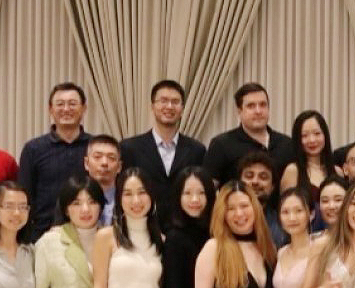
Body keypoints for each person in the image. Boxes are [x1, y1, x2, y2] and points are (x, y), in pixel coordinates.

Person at [119, 79, 207, 229]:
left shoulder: (197, 149)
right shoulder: (129, 147)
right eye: (163, 101)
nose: (169, 106)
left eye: (175, 102)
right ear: (152, 106)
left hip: (185, 231)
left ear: (182, 108)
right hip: (142, 229)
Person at [18, 82, 93, 239]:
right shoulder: (33, 149)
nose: (66, 109)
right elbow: (25, 195)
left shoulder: (96, 147)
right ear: (50, 109)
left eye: (72, 104)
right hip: (42, 234)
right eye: (60, 104)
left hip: (89, 232)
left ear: (84, 109)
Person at [203, 82, 294, 185]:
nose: (258, 111)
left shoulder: (287, 144)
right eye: (251, 106)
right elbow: (208, 190)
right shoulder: (221, 145)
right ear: (239, 111)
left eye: (263, 105)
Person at [273, 188, 321, 288]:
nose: (292, 218)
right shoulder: (280, 253)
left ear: (311, 214)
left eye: (298, 211)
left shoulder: (318, 251)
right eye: (285, 212)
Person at [280, 109, 336, 200]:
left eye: (317, 133)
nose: (312, 140)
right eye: (304, 135)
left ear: (325, 135)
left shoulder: (337, 171)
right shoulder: (293, 171)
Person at [237, 151, 287, 247]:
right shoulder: (225, 219)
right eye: (249, 176)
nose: (255, 182)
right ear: (239, 182)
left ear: (272, 187)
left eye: (263, 177)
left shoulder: (281, 224)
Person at [84, 135, 123, 226]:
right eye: (97, 157)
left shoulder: (126, 199)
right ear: (86, 163)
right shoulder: (72, 199)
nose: (104, 163)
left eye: (111, 158)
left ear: (119, 167)